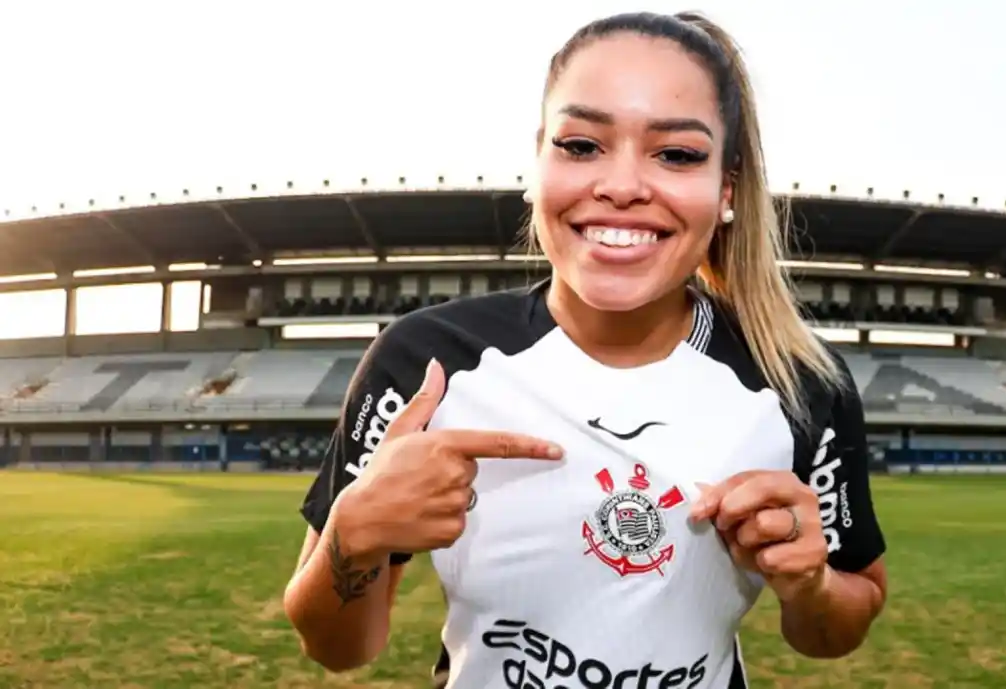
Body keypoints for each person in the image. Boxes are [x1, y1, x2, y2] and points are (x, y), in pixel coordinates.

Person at [283, 10, 888, 688]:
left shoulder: (798, 380)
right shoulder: (426, 363)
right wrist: (353, 536)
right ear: (536, 163)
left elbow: (843, 622)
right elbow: (335, 646)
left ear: (727, 191)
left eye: (677, 153)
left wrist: (809, 584)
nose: (623, 186)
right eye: (580, 144)